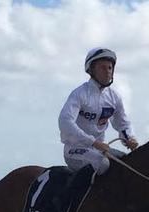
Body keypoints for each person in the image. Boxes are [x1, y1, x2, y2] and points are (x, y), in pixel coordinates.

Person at [58, 47, 139, 182]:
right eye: (102, 68)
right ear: (91, 70)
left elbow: (122, 124)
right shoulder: (79, 94)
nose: (108, 72)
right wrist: (93, 142)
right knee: (102, 164)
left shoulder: (114, 97)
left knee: (129, 163)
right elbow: (65, 122)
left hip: (100, 149)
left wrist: (130, 138)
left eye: (110, 68)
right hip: (74, 150)